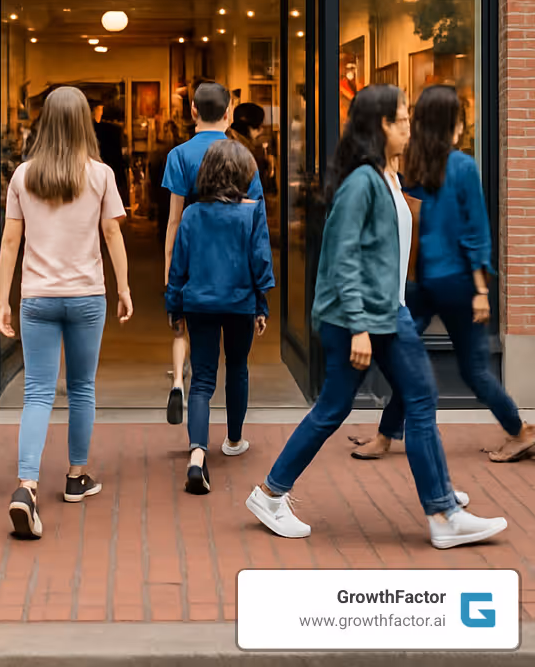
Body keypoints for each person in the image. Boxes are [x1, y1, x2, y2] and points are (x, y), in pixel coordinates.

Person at [246, 84, 507, 549]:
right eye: (403, 119)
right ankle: (443, 511)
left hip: (388, 310)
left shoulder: (389, 174)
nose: (411, 127)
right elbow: (342, 259)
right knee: (414, 398)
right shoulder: (361, 182)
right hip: (365, 317)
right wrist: (361, 327)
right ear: (383, 125)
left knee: (351, 406)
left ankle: (274, 493)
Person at [348, 84, 535, 463]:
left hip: (419, 280)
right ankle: (519, 431)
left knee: (408, 359)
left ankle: (387, 436)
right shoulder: (461, 165)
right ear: (453, 122)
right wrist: (482, 288)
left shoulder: (410, 163)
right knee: (470, 369)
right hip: (454, 282)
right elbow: (477, 230)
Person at [0, 86, 132, 538]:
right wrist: (125, 288)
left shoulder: (23, 176)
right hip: (86, 296)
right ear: (84, 124)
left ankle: (26, 485)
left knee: (37, 391)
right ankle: (76, 477)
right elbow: (112, 235)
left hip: (37, 297)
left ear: (44, 122)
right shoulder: (100, 175)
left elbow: (11, 241)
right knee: (81, 387)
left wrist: (3, 299)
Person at [165, 140, 274, 495]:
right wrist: (262, 304)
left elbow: (179, 265)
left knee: (201, 380)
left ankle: (197, 455)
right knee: (238, 366)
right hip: (240, 302)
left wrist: (174, 305)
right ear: (244, 174)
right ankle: (234, 438)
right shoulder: (252, 211)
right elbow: (260, 262)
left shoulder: (193, 214)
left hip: (199, 304)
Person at [161, 82, 265, 426]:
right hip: (237, 275)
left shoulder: (179, 155)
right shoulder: (242, 155)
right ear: (229, 113)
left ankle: (197, 441)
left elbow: (174, 221)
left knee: (202, 366)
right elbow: (257, 225)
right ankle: (234, 436)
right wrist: (260, 292)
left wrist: (170, 276)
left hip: (196, 268)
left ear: (192, 111)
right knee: (238, 364)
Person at [91, 100, 131, 207]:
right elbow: (124, 154)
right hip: (115, 170)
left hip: (98, 170)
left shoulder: (94, 128)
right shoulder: (118, 131)